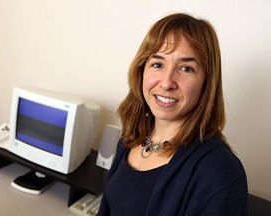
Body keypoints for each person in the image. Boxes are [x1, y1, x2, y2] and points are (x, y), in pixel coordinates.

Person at [98, 13, 248, 216]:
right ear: (142, 70)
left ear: (207, 82)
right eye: (158, 64)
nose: (167, 82)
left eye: (186, 68)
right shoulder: (132, 136)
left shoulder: (220, 172)